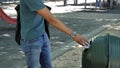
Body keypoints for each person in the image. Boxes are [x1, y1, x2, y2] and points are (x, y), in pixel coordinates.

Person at [20, 0, 88, 68]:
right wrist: (73, 34)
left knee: (47, 65)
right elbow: (52, 19)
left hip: (43, 35)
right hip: (32, 40)